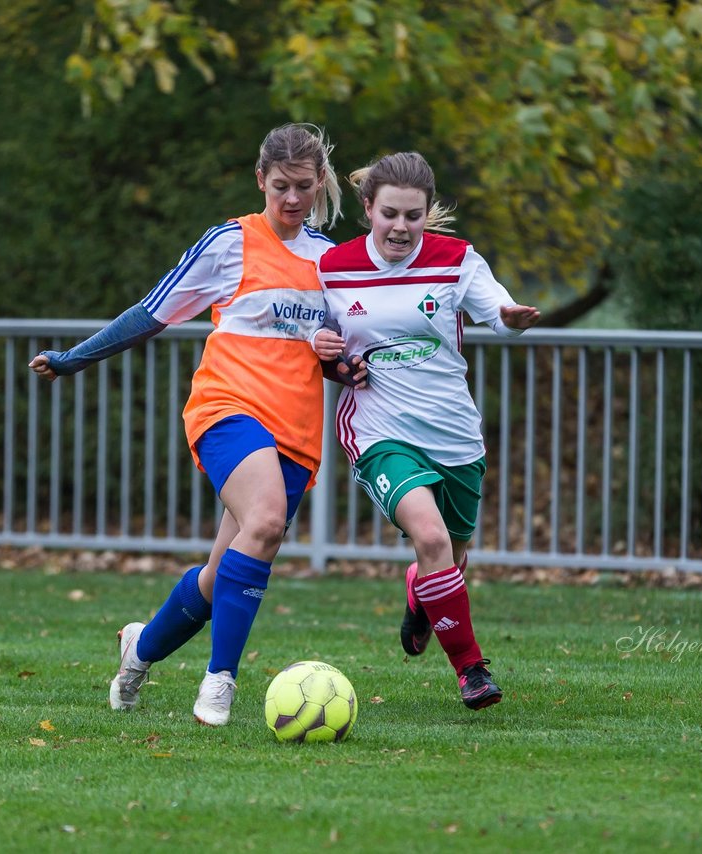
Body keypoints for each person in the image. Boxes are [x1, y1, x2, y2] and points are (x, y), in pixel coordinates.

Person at [28, 123, 365, 726]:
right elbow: (153, 312)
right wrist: (74, 357)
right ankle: (220, 679)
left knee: (221, 574)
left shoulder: (330, 262)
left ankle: (141, 650)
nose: (292, 199)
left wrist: (343, 362)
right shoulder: (230, 243)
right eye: (281, 186)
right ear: (261, 180)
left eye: (304, 188)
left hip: (295, 429)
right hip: (227, 407)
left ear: (320, 186)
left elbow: (328, 354)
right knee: (263, 523)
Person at [311, 151, 540, 710]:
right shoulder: (332, 267)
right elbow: (318, 340)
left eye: (414, 216)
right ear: (368, 209)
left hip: (454, 434)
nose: (401, 227)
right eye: (390, 214)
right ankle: (471, 670)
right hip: (377, 427)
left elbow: (498, 309)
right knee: (432, 538)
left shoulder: (457, 260)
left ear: (427, 213)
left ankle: (422, 590)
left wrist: (509, 319)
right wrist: (326, 354)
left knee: (453, 557)